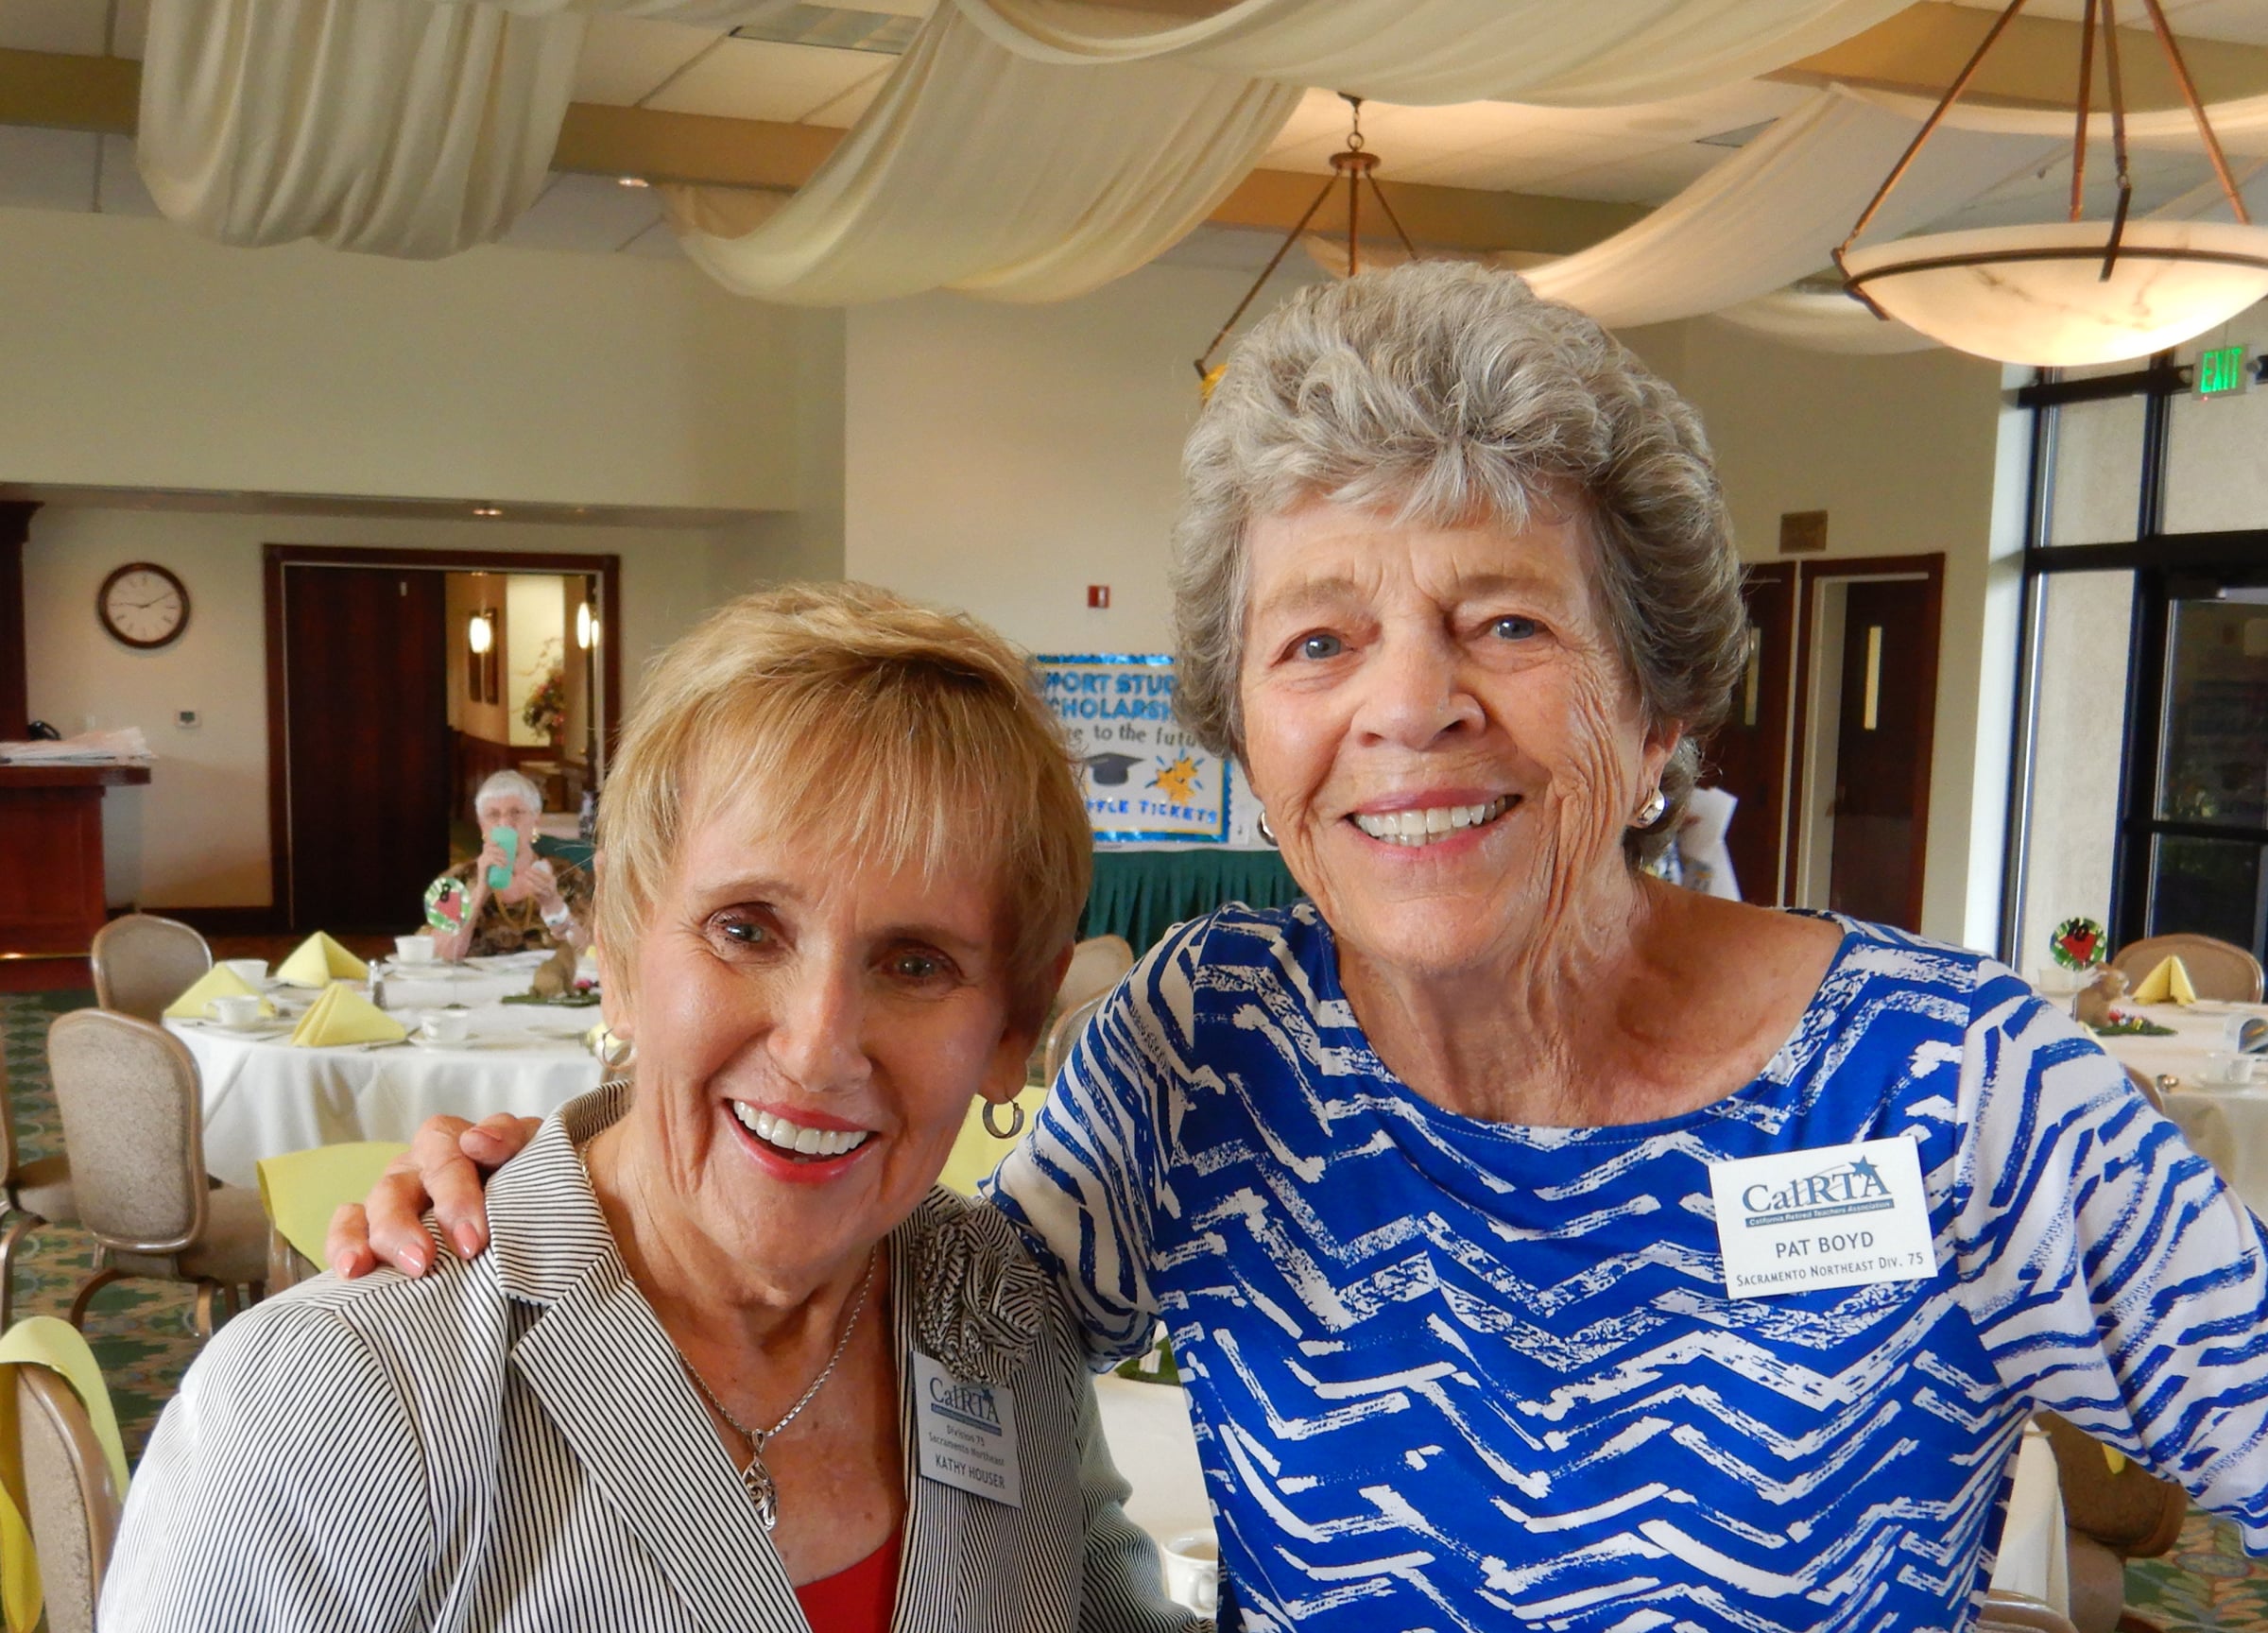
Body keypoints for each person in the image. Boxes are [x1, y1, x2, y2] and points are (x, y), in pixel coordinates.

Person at [338, 264, 2268, 1629]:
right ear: (1251, 737)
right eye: (1321, 639)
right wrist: (566, 1202)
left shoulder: (1955, 1088)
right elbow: (920, 1310)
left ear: (1658, 709)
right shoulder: (1215, 1038)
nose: (1407, 707)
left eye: (1506, 622)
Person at [106, 585, 1194, 1633]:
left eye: (916, 964)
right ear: (619, 956)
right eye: (745, 930)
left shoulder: (1001, 1319)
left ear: (1011, 1028)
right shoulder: (335, 1399)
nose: (817, 1049)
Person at [424, 768, 592, 959]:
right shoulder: (455, 881)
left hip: (548, 978)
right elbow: (439, 955)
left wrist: (555, 906)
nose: (505, 823)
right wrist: (479, 893)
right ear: (481, 825)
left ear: (535, 819)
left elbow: (592, 952)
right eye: (493, 815)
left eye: (516, 813)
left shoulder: (567, 876)